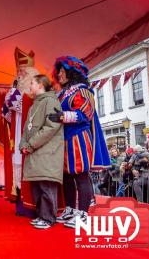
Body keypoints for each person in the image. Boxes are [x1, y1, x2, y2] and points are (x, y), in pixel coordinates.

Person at [48, 56, 110, 228]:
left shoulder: (82, 91)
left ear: (72, 73)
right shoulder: (62, 94)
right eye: (58, 71)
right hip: (64, 139)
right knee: (67, 177)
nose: (59, 74)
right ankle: (70, 209)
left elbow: (85, 114)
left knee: (81, 176)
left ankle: (83, 214)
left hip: (79, 138)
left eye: (62, 71)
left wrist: (62, 116)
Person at [19, 75, 64, 229]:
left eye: (32, 83)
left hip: (47, 153)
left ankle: (49, 218)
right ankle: (42, 216)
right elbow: (27, 128)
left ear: (40, 85)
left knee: (46, 185)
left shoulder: (51, 101)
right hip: (35, 152)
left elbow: (52, 126)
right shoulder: (34, 104)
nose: (30, 86)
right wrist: (23, 144)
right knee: (38, 186)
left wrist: (30, 144)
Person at [2, 48, 39, 216]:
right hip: (16, 132)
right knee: (17, 167)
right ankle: (21, 205)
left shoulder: (36, 88)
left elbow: (27, 106)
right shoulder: (16, 87)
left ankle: (32, 206)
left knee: (29, 168)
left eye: (22, 71)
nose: (19, 74)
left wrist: (15, 97)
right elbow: (9, 111)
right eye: (18, 71)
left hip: (30, 134)